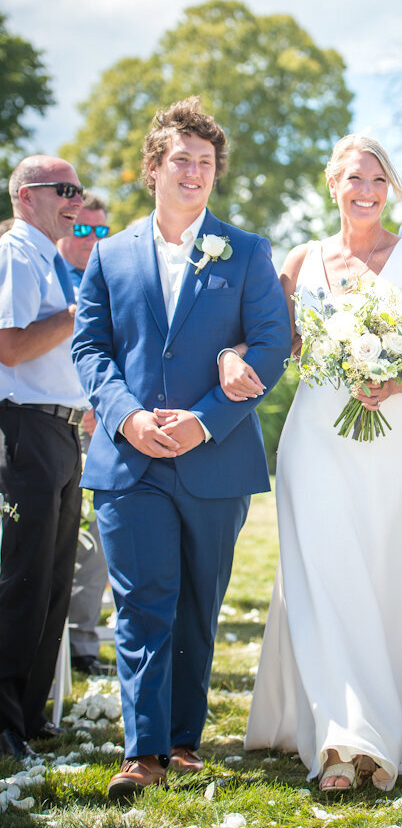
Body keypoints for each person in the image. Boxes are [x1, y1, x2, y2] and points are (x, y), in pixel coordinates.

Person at [72, 97, 291, 800]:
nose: (194, 172)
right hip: (130, 461)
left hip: (215, 459)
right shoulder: (109, 255)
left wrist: (202, 420)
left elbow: (271, 346)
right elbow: (91, 347)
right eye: (181, 160)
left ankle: (181, 740)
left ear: (214, 173)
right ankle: (141, 753)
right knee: (142, 605)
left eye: (205, 162)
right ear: (154, 168)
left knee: (198, 605)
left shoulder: (248, 251)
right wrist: (127, 417)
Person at [236, 134, 402, 792]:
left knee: (393, 570)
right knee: (327, 575)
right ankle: (345, 740)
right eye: (355, 178)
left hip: (394, 435)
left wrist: (394, 378)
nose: (366, 191)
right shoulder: (301, 261)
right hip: (317, 437)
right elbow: (277, 344)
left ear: (391, 188)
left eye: (379, 180)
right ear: (332, 184)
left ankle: (399, 719)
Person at [0, 156, 88, 757]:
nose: (77, 201)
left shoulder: (50, 260)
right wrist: (80, 315)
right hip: (26, 429)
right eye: (66, 190)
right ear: (26, 196)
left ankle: (28, 718)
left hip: (61, 433)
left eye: (80, 191)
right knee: (23, 579)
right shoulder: (16, 254)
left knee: (55, 580)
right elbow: (10, 347)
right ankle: (3, 724)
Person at [58, 192, 112, 676]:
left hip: (99, 430)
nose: (92, 241)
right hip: (49, 427)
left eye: (101, 232)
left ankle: (83, 646)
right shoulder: (52, 279)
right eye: (83, 230)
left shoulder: (109, 279)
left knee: (95, 541)